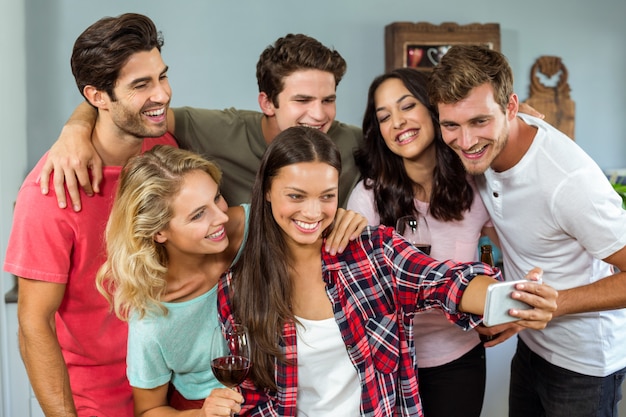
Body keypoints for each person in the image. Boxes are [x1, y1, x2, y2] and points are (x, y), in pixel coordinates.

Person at [217, 126, 558, 416]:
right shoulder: (237, 288)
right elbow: (255, 399)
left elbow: (444, 281)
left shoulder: (374, 251)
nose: (312, 211)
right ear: (267, 192)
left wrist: (513, 299)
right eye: (296, 195)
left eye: (326, 196)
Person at [427, 44, 626, 417]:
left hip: (585, 367)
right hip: (531, 348)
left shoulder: (570, 182)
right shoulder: (483, 152)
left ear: (511, 107)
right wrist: (519, 311)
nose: (465, 142)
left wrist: (557, 304)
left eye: (480, 122)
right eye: (451, 125)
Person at [94, 145, 367, 416]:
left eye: (217, 198)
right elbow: (149, 410)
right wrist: (202, 414)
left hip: (293, 391)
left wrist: (340, 221)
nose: (222, 216)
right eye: (199, 214)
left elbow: (308, 218)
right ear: (159, 232)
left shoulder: (254, 229)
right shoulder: (152, 320)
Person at [3, 13, 178, 417]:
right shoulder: (48, 194)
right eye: (141, 85)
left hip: (171, 389)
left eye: (162, 76)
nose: (163, 94)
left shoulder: (161, 144)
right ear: (97, 96)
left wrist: (75, 125)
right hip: (98, 402)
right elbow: (34, 326)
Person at [40, 33, 362, 212]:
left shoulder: (354, 142)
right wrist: (75, 129)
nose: (319, 115)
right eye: (302, 101)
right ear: (267, 102)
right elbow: (129, 110)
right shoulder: (220, 131)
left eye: (328, 100)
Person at [346, 67, 498, 417]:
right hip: (389, 366)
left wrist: (498, 303)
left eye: (407, 106)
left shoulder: (473, 186)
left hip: (460, 361)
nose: (397, 121)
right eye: (384, 117)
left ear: (434, 110)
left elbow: (507, 248)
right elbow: (361, 296)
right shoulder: (367, 198)